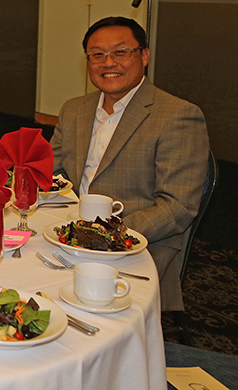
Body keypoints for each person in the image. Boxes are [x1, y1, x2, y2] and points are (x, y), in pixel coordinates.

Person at [51, 16, 209, 311]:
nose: (108, 62)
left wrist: (100, 236)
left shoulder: (178, 115)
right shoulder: (74, 109)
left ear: (144, 56)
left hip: (135, 246)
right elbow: (52, 175)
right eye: (97, 55)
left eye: (121, 52)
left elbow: (178, 206)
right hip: (68, 236)